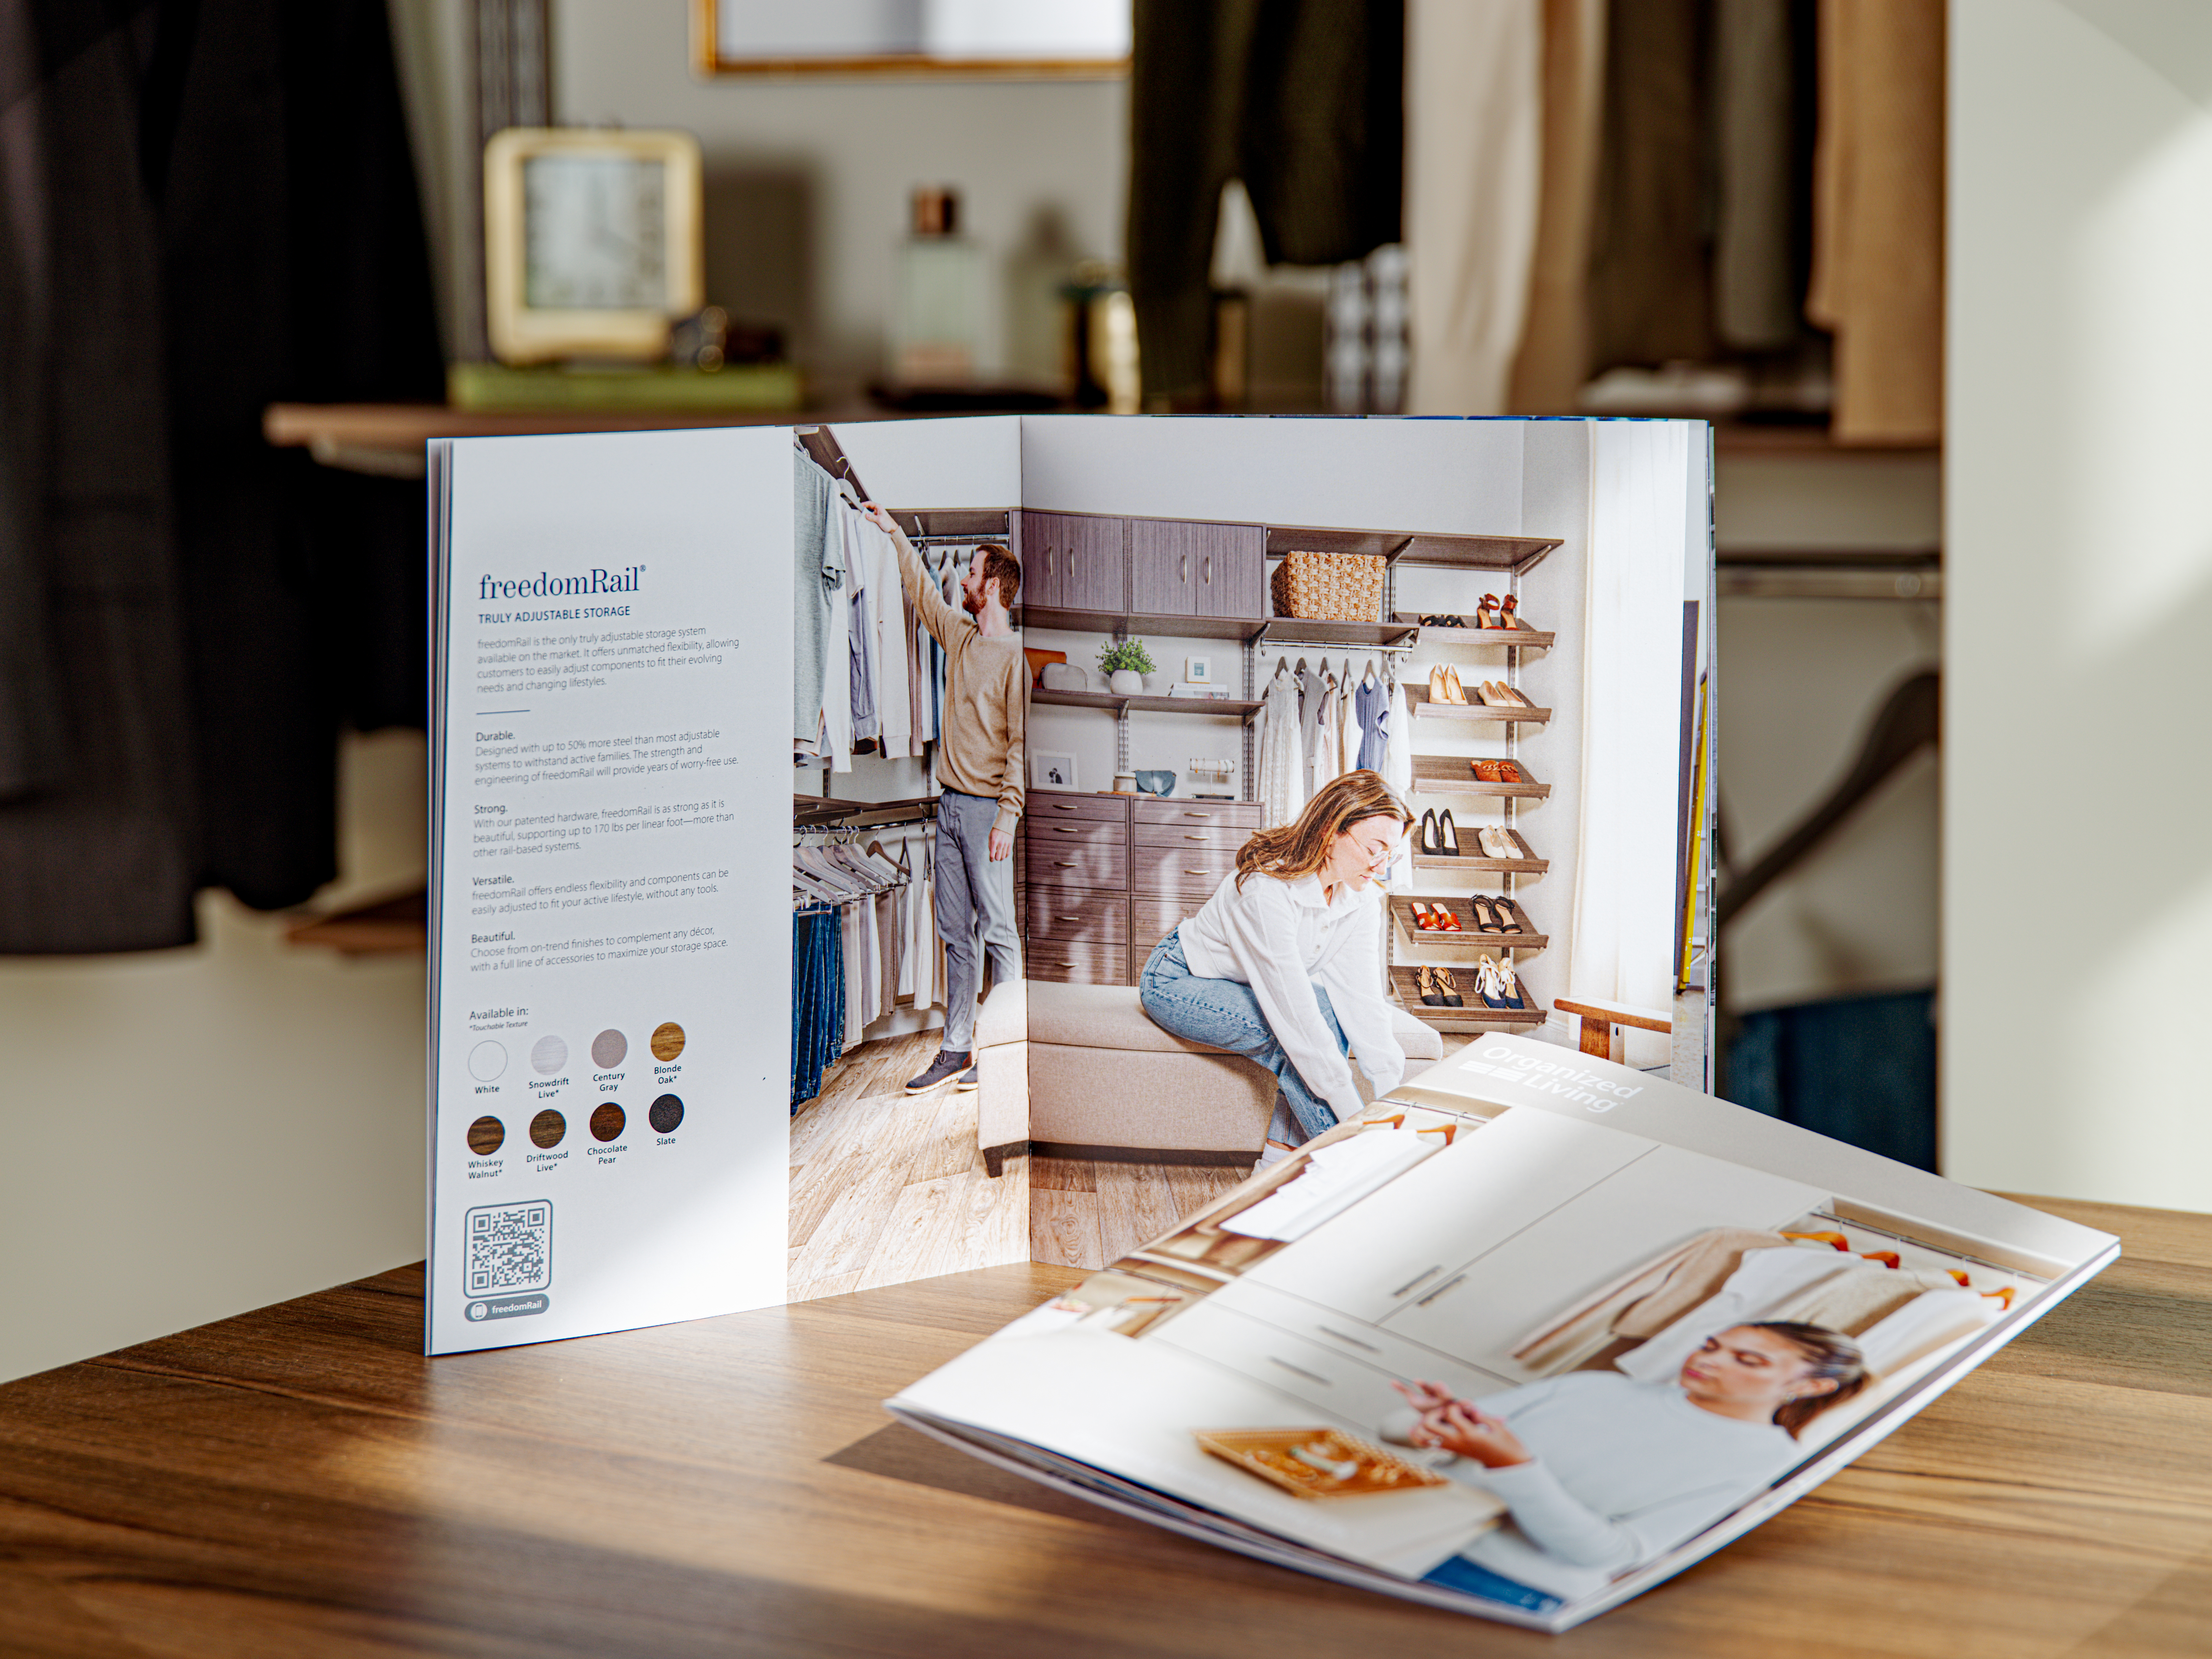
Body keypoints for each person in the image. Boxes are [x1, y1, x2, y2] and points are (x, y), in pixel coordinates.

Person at [1381, 1322, 1869, 1612]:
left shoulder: (1767, 1464)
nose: (1710, 1361)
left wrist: (1513, 1466)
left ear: (1809, 1388)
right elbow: (1393, 1426)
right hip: (1397, 1539)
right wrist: (1430, 1423)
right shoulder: (1597, 1387)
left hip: (1507, 1590)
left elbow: (1611, 1553)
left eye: (1746, 1360)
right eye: (1710, 1346)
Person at [1138, 770, 1413, 1165]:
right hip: (1178, 979)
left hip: (1241, 984)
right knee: (1291, 1037)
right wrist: (1355, 1121)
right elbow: (1294, 1016)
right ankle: (1355, 1169)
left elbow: (1362, 999)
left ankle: (1275, 1167)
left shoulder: (1360, 898)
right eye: (1375, 849)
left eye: (1391, 854)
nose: (1381, 867)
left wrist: (1391, 1102)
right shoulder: (1266, 889)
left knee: (1329, 1014)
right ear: (1331, 831)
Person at [863, 503, 1026, 1095]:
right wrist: (893, 534)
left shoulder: (1014, 661)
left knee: (999, 932)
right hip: (949, 809)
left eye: (972, 574)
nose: (961, 580)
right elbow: (924, 595)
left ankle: (1002, 1048)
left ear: (995, 588)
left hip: (987, 815)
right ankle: (956, 1049)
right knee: (957, 934)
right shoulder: (958, 636)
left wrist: (1007, 817)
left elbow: (1018, 746)